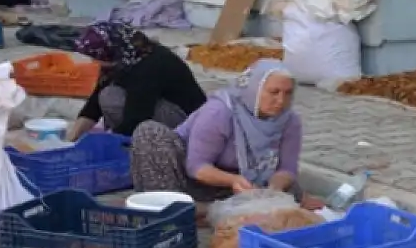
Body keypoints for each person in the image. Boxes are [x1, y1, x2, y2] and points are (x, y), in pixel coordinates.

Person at [130, 58, 323, 209]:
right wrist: (233, 180)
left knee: (291, 191)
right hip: (191, 179)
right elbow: (197, 167)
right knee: (149, 133)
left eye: (288, 93)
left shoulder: (289, 121)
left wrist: (273, 191)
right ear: (254, 89)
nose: (281, 101)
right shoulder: (221, 112)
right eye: (274, 92)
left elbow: (287, 169)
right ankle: (178, 209)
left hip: (242, 186)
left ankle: (212, 210)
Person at [69, 22, 207, 139]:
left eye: (97, 57)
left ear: (111, 51)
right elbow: (93, 105)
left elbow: (137, 116)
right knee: (106, 94)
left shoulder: (150, 65)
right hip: (150, 107)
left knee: (111, 98)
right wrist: (71, 140)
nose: (95, 62)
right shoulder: (125, 58)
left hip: (188, 121)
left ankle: (140, 144)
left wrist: (110, 141)